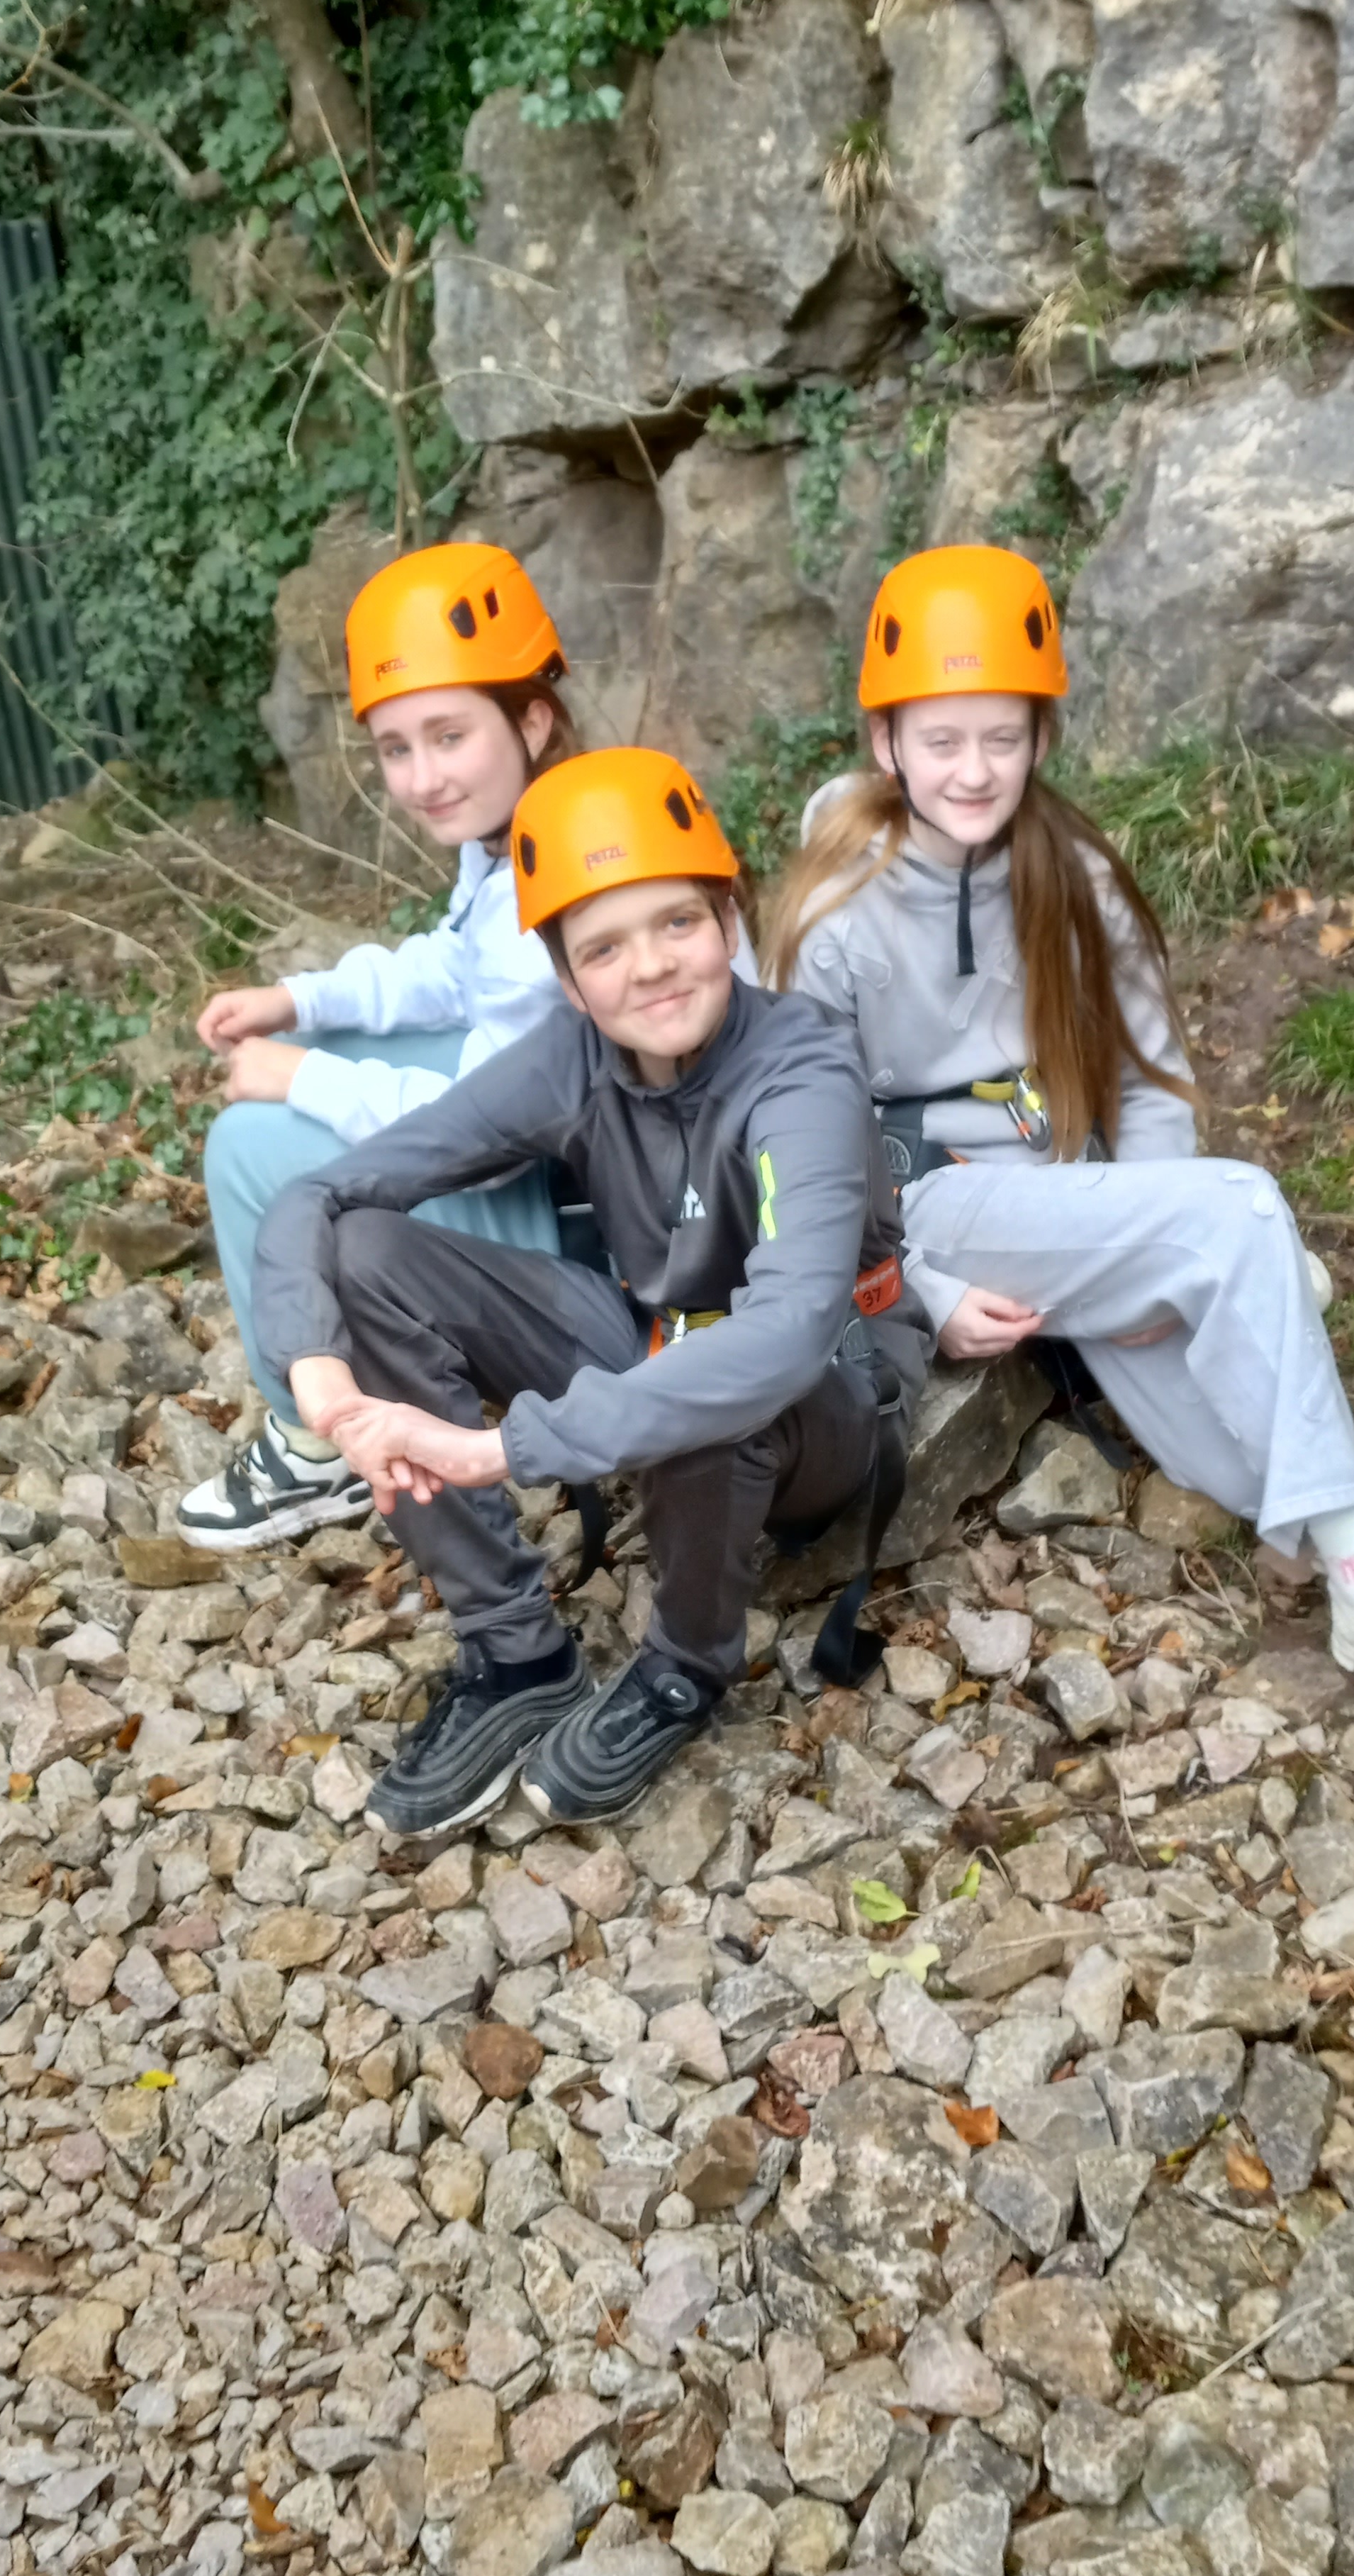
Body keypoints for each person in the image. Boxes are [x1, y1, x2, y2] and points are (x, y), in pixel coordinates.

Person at [766, 541, 1354, 1695]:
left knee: (1237, 1465)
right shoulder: (835, 909)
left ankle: (1312, 1467)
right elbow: (797, 1150)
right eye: (941, 739)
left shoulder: (1070, 872)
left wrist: (1136, 1227)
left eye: (1002, 737)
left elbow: (1148, 1077)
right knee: (1241, 1210)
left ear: (1041, 737)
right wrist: (920, 1289)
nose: (974, 769)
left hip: (1067, 1192)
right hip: (929, 1199)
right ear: (886, 742)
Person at [250, 745, 933, 1835]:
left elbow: (790, 1328)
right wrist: (324, 1385)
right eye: (604, 948)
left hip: (824, 1396)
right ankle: (516, 1652)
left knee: (720, 1375)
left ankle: (687, 1665)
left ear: (727, 920)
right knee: (368, 1250)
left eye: (678, 923)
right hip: (654, 1338)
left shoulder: (800, 1066)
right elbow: (323, 1196)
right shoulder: (573, 1055)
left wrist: (502, 1448)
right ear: (567, 982)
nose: (651, 967)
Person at [179, 541, 574, 1550]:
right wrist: (301, 1004)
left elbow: (486, 1132)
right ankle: (346, 1349)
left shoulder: (552, 890)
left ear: (532, 719)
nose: (423, 777)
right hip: (569, 1164)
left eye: (450, 736)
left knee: (247, 1144)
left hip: (579, 1230)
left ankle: (316, 1445)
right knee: (331, 1051)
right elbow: (450, 970)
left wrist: (302, 1076)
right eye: (397, 748)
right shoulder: (527, 836)